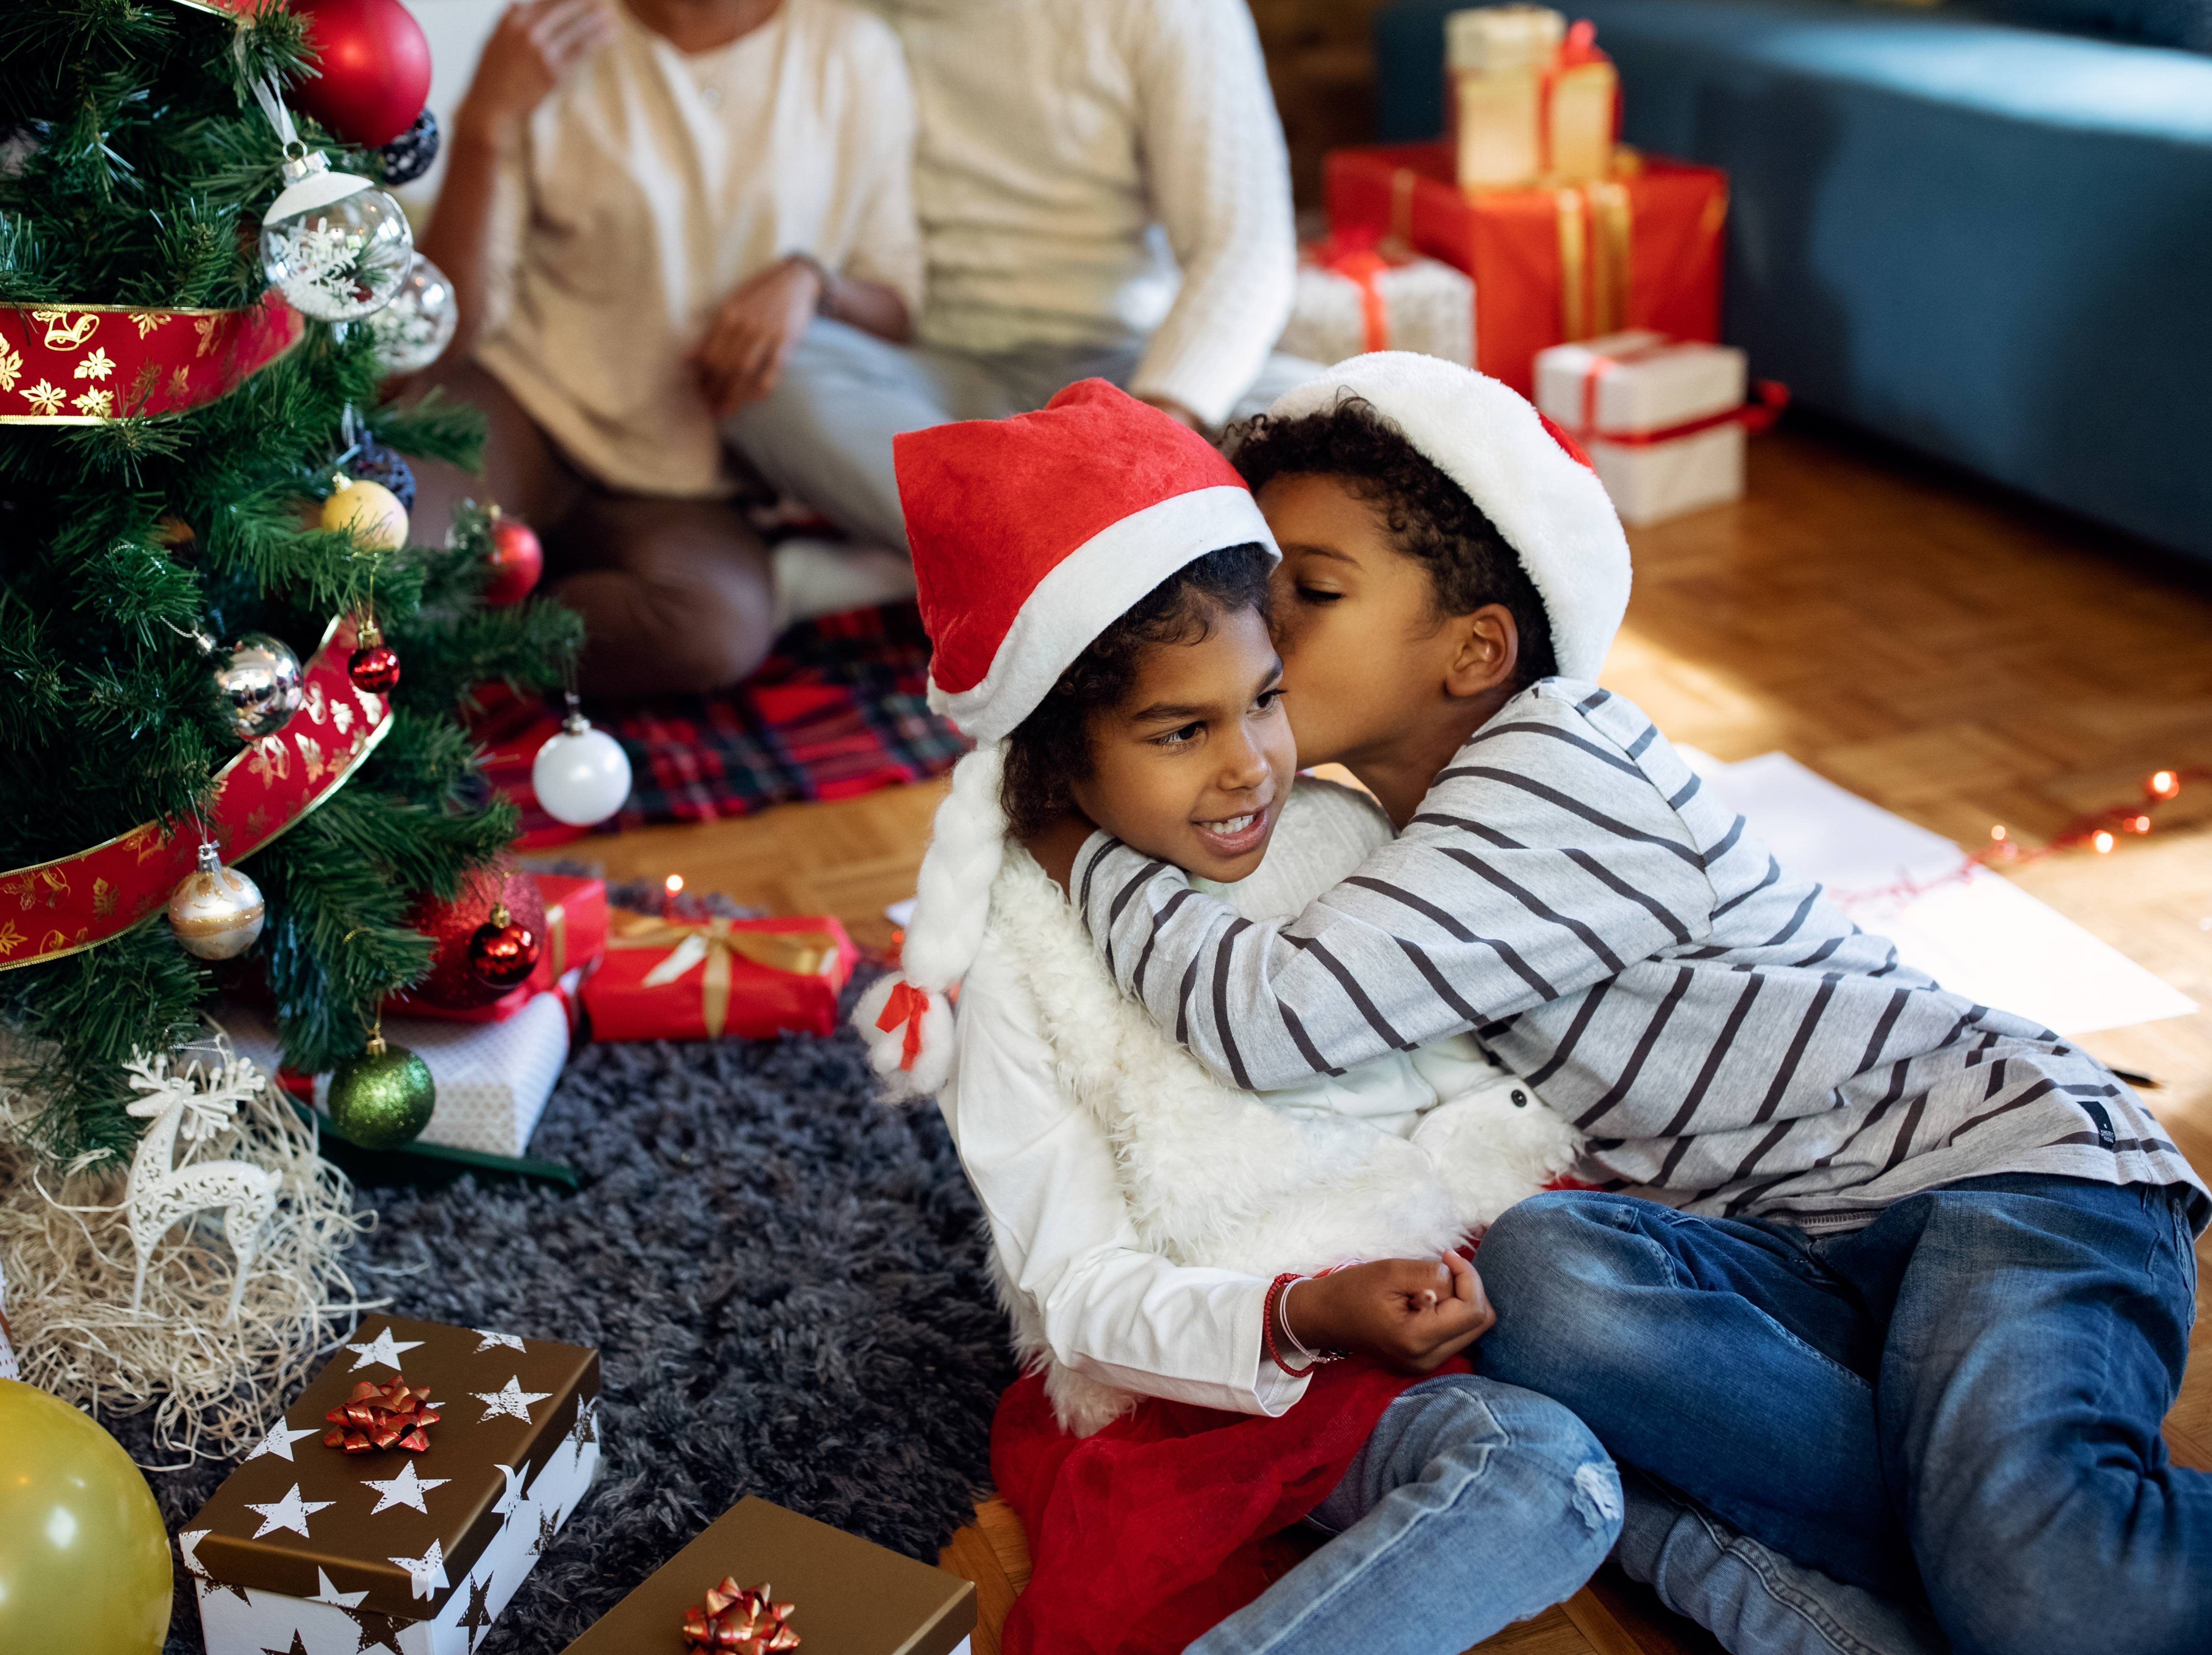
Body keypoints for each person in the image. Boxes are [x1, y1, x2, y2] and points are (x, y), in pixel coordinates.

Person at [1036, 352, 2209, 1655]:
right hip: (1805, 1258)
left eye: (1309, 593)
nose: (1263, 632)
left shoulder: (1559, 761)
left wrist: (1079, 835)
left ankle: (2023, 1553)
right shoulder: (1402, 820)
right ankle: (1985, 1528)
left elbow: (1279, 1020)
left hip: (2003, 1178)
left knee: (2058, 1597)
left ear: (1476, 649)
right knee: (1544, 1276)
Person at [853, 380, 1616, 1654]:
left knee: (1659, 1477)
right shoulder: (1015, 961)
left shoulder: (1343, 831)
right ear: (1055, 754)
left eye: (1263, 698)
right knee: (1543, 1473)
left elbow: (1463, 1080)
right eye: (1179, 729)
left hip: (1467, 1277)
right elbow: (1083, 1295)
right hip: (1248, 1368)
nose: (1249, 762)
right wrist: (1306, 1315)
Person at [411, 0, 921, 696]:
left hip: (692, 474)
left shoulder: (852, 55)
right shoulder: (554, 34)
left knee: (714, 632)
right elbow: (447, 325)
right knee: (387, 574)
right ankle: (480, 601)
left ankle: (494, 611)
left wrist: (812, 283)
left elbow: (895, 304)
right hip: (523, 412)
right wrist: (484, 124)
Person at [719, 0, 1310, 556]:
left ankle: (958, 572)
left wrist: (1152, 427)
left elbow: (1245, 244)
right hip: (930, 389)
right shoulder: (830, 18)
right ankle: (1104, 568)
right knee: (763, 378)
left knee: (1349, 422)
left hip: (1132, 372)